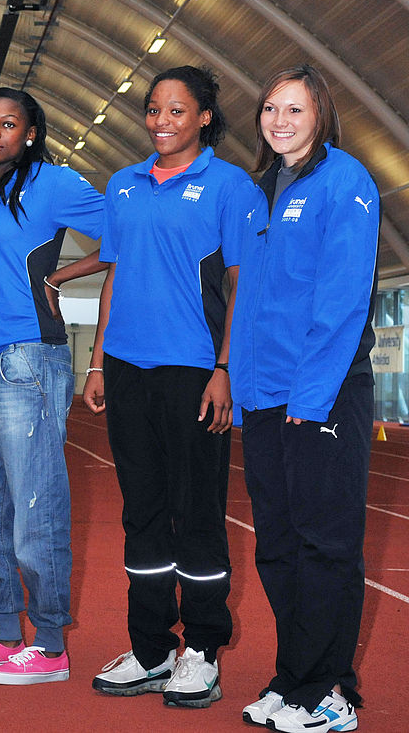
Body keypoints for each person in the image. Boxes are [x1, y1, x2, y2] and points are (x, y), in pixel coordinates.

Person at [84, 66, 250, 708]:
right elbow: (114, 279)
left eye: (177, 111)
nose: (161, 122)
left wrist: (225, 371)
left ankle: (202, 649)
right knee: (142, 511)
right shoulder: (122, 186)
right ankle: (151, 648)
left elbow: (239, 289)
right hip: (127, 370)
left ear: (204, 118)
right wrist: (97, 363)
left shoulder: (228, 186)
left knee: (198, 512)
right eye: (154, 110)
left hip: (194, 372)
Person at [233, 66, 377, 733]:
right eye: (270, 108)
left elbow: (343, 297)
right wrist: (240, 389)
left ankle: (332, 691)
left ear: (320, 113)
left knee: (326, 546)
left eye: (295, 108)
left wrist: (313, 395)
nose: (280, 119)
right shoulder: (262, 188)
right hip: (265, 397)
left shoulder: (343, 180)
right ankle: (292, 677)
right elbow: (250, 302)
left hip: (321, 393)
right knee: (278, 547)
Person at [0, 88, 104, 685]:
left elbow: (124, 233)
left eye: (8, 124)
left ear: (31, 133)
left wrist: (61, 277)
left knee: (35, 505)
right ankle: (8, 634)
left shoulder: (55, 185)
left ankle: (51, 644)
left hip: (29, 362)